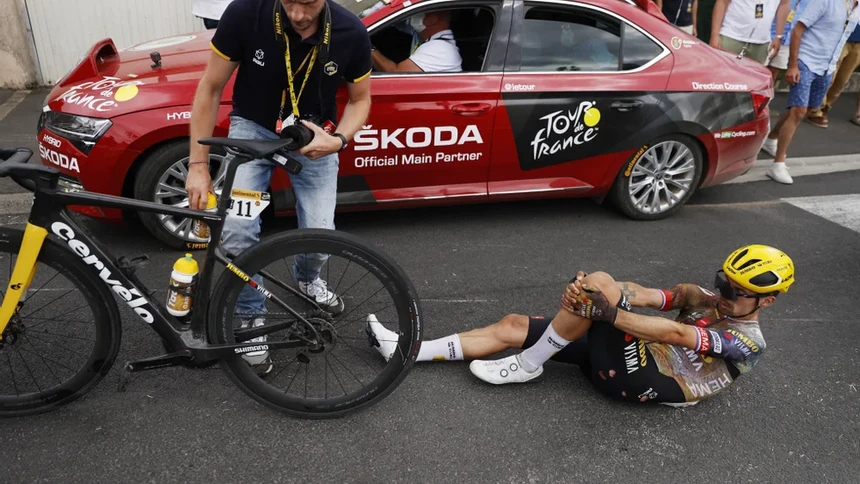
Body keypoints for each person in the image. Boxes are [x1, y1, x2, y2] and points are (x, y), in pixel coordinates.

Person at [186, 0, 372, 375]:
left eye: (308, 4)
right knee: (237, 233)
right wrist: (198, 165)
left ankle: (308, 279)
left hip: (315, 138)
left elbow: (360, 99)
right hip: (252, 132)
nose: (299, 14)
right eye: (290, 1)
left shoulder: (351, 31)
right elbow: (209, 88)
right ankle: (251, 319)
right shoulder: (244, 13)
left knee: (321, 236)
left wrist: (339, 142)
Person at [367, 245, 795, 407]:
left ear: (766, 301)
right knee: (515, 322)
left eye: (736, 292)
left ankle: (529, 364)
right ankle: (408, 350)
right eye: (723, 282)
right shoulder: (703, 296)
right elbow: (643, 293)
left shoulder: (747, 342)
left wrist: (606, 311)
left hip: (649, 381)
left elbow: (676, 334)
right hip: (627, 355)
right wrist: (590, 291)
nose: (723, 294)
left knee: (604, 303)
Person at [761, 0, 859, 184]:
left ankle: (772, 137)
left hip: (827, 66)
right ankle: (778, 164)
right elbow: (797, 30)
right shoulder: (825, 1)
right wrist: (793, 65)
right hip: (805, 60)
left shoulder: (856, 7)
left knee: (803, 110)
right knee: (798, 110)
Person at [805, 23, 860, 128]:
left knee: (842, 80)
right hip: (841, 37)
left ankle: (825, 107)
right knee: (830, 75)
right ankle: (815, 109)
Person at [371, 11, 462, 73]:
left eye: (421, 12)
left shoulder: (439, 49)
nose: (412, 16)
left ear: (433, 19)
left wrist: (368, 46)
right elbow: (393, 19)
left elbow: (395, 74)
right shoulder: (424, 36)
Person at [710, 0, 790, 65]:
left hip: (761, 42)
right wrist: (715, 35)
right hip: (730, 35)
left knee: (752, 81)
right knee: (720, 74)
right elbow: (722, 2)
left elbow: (784, 4)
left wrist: (778, 36)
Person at [764, 0, 811, 81]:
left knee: (773, 73)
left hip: (788, 40)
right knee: (759, 69)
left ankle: (766, 93)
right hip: (769, 35)